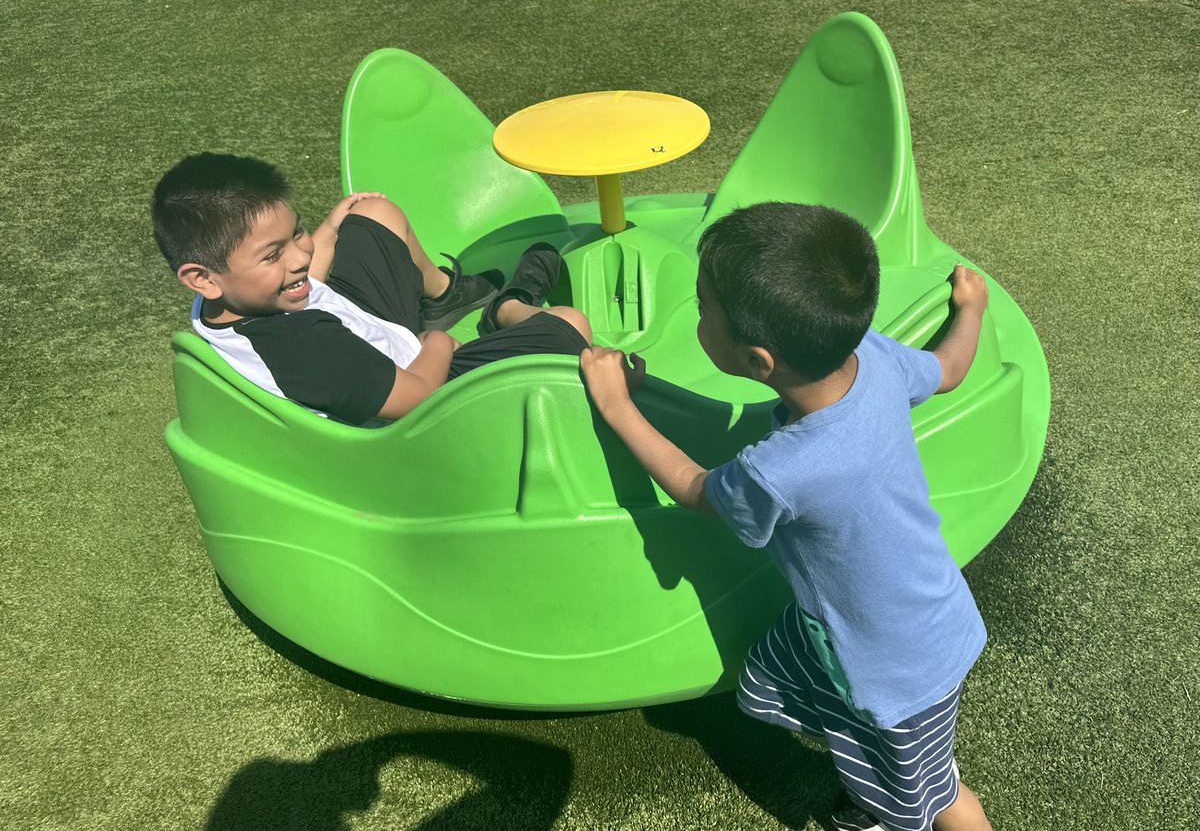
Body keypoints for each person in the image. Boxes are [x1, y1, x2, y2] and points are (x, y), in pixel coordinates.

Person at [579, 202, 994, 831]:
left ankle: (887, 807)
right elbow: (951, 369)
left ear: (757, 361)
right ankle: (895, 771)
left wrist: (616, 408)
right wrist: (971, 310)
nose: (695, 318)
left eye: (701, 310)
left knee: (930, 799)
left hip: (888, 670)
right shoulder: (874, 360)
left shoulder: (782, 469)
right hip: (920, 620)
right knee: (806, 692)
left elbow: (696, 488)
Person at [153, 153, 592, 425]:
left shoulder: (232, 301)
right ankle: (510, 308)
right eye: (273, 255)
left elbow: (307, 283)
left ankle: (441, 295)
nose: (300, 257)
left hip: (372, 336)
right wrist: (437, 344)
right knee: (568, 326)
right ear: (201, 278)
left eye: (297, 232)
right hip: (421, 384)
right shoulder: (306, 350)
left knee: (374, 211)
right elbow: (417, 399)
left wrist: (326, 231)